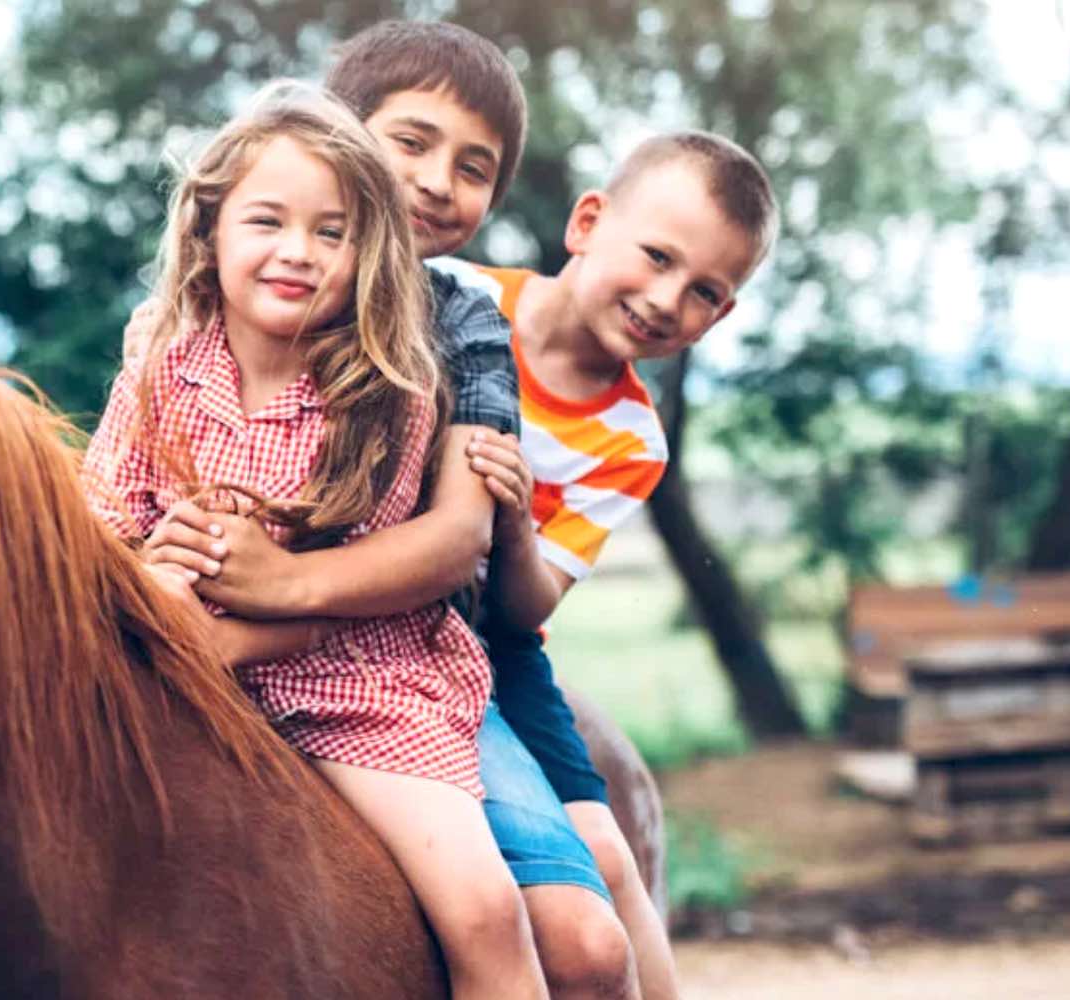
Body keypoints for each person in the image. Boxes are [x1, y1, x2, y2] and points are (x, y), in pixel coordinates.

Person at [134, 21, 644, 999]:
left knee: (583, 942)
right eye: (409, 143)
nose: (438, 181)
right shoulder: (206, 311)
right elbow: (131, 487)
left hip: (406, 662)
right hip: (219, 626)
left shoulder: (449, 328)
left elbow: (459, 540)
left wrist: (272, 593)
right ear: (336, 137)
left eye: (473, 166)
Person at [82, 81, 549, 1000]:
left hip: (356, 686)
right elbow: (105, 520)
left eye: (332, 233)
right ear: (209, 233)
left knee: (485, 912)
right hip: (178, 655)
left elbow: (341, 596)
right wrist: (150, 577)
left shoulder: (389, 390)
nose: (298, 253)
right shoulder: (162, 367)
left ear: (367, 255)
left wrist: (203, 643)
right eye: (267, 222)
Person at [445, 129, 779, 1000]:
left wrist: (512, 522)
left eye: (705, 291)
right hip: (384, 601)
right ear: (588, 221)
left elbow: (525, 609)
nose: (668, 299)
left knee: (606, 854)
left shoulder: (630, 438)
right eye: (658, 257)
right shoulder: (455, 296)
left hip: (492, 649)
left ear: (724, 314)